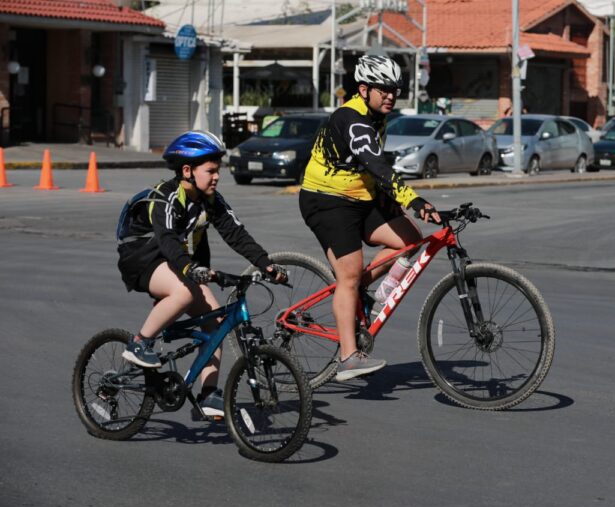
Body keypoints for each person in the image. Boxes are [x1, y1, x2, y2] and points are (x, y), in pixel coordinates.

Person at [117, 130, 287, 416]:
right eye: (210, 171)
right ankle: (139, 344)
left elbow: (235, 233)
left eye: (217, 170)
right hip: (143, 259)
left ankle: (208, 394)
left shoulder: (211, 200)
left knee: (217, 322)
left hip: (178, 264)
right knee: (183, 292)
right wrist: (190, 268)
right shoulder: (167, 196)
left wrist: (265, 264)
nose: (217, 176)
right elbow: (168, 240)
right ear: (187, 170)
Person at [299, 55, 441, 382]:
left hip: (361, 193)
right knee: (348, 275)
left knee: (410, 239)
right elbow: (379, 166)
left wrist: (408, 204)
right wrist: (414, 199)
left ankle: (363, 291)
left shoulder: (378, 116)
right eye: (384, 90)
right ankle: (349, 357)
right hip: (327, 199)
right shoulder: (352, 119)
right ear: (364, 89)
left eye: (395, 90)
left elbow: (373, 172)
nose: (391, 95)